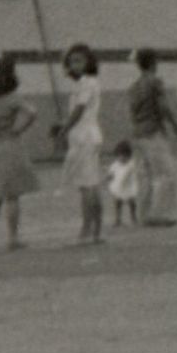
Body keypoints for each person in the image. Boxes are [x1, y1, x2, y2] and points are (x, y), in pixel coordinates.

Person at [0, 55, 39, 250]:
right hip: (11, 145)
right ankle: (13, 238)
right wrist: (19, 128)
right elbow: (32, 112)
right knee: (12, 196)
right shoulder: (13, 98)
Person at [54, 45, 107, 241]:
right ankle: (96, 231)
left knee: (87, 185)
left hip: (84, 137)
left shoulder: (86, 83)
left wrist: (64, 129)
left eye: (79, 61)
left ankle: (87, 230)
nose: (74, 65)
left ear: (89, 62)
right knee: (91, 184)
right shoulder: (88, 83)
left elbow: (79, 110)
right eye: (71, 61)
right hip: (88, 135)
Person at [124, 48, 177, 226]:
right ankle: (161, 214)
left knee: (144, 175)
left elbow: (132, 112)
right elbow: (163, 106)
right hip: (153, 131)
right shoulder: (155, 82)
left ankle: (143, 214)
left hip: (138, 133)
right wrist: (174, 124)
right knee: (165, 173)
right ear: (153, 63)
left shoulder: (133, 86)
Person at [104, 139, 143, 230]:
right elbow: (111, 174)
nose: (122, 158)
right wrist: (106, 180)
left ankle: (134, 218)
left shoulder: (131, 164)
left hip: (129, 187)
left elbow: (137, 172)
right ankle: (118, 219)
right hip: (118, 187)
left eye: (125, 156)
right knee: (118, 202)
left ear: (129, 156)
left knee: (131, 202)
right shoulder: (115, 165)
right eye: (120, 156)